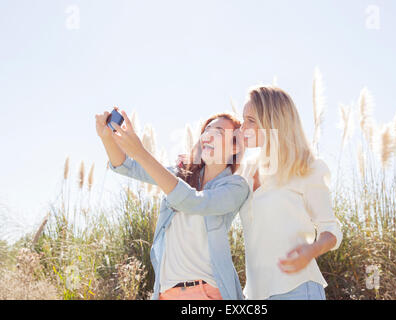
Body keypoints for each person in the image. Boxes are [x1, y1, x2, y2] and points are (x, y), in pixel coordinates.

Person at [95, 108, 249, 300]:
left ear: (235, 147)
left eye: (217, 132)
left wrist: (141, 153)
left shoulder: (235, 187)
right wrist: (106, 137)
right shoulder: (181, 175)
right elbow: (127, 167)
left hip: (207, 293)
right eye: (206, 131)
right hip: (166, 293)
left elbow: (192, 201)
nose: (207, 136)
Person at [237, 85, 343, 300]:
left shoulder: (308, 168)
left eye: (251, 120)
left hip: (297, 288)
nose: (241, 127)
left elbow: (331, 228)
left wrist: (311, 251)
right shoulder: (245, 169)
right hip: (256, 295)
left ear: (273, 122)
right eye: (242, 119)